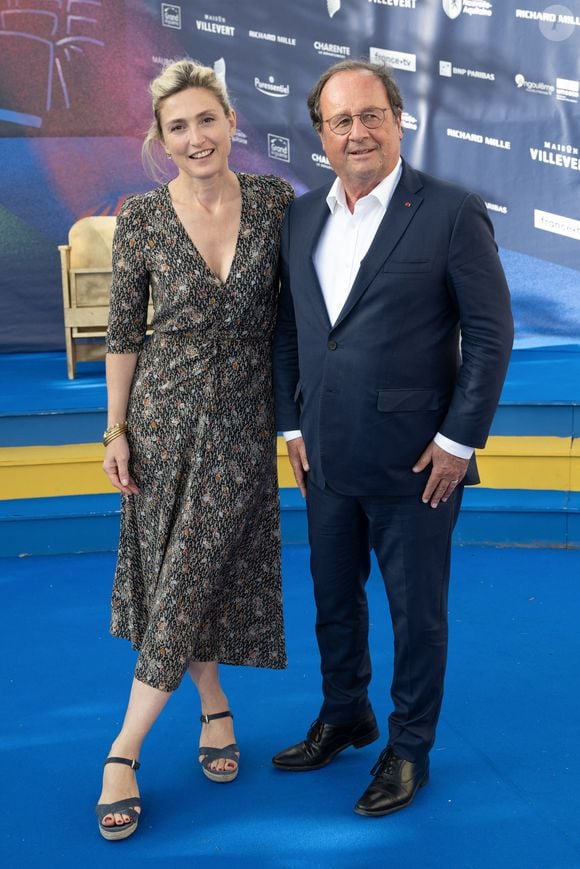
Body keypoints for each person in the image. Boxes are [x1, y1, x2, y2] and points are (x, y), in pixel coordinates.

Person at [271, 59, 513, 817]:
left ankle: (409, 747)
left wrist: (458, 441)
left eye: (371, 114)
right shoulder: (301, 217)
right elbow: (288, 330)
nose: (357, 132)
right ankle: (347, 712)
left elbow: (491, 333)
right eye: (340, 121)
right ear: (321, 135)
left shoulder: (449, 211)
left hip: (418, 465)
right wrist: (291, 421)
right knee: (333, 601)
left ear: (399, 120)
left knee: (417, 616)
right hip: (326, 456)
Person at [95, 59, 293, 841]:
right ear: (161, 139)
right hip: (163, 418)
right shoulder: (142, 216)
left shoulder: (276, 202)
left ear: (232, 123)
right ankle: (214, 709)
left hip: (244, 418)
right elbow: (120, 334)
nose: (196, 136)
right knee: (186, 564)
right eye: (178, 126)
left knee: (193, 567)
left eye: (207, 119)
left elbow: (303, 310)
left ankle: (123, 748)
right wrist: (115, 429)